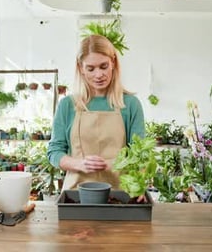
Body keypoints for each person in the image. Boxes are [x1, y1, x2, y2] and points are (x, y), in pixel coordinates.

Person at [47, 34, 145, 191]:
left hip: (120, 195)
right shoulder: (67, 105)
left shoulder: (130, 105)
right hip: (77, 195)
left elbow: (140, 154)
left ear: (113, 62)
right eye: (90, 69)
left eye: (104, 66)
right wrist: (79, 163)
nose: (98, 75)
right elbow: (54, 152)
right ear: (81, 68)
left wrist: (139, 184)